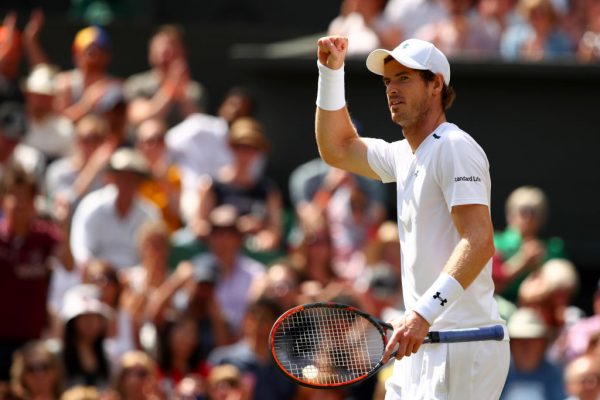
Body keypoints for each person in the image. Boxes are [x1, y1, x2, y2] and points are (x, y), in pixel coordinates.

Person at [314, 35, 509, 398]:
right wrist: (330, 72)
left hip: (463, 344)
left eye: (404, 78)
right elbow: (336, 149)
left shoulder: (454, 147)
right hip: (419, 343)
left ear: (436, 84)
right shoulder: (402, 155)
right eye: (388, 81)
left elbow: (479, 241)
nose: (392, 89)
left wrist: (422, 314)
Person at [0, 163, 73, 384]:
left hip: (31, 339)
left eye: (26, 197)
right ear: (3, 199)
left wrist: (63, 226)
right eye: (14, 196)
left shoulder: (45, 237)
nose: (19, 203)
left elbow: (69, 264)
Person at [69, 147, 159, 270]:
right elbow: (81, 250)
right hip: (97, 276)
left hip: (136, 278)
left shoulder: (149, 214)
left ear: (140, 182)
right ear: (112, 178)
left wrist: (135, 276)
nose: (126, 183)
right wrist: (97, 270)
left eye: (132, 178)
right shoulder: (92, 206)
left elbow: (153, 255)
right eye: (122, 177)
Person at [500, 307, 566, 400]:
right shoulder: (500, 371)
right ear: (511, 344)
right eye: (520, 341)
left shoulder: (554, 373)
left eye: (532, 341)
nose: (526, 346)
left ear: (543, 344)